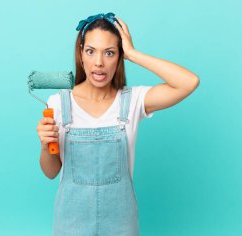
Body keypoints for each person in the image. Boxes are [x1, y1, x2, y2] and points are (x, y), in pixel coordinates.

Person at [36, 12, 199, 236]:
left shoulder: (132, 101)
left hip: (121, 225)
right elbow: (51, 172)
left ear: (119, 57)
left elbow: (189, 83)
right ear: (81, 54)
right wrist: (46, 146)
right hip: (71, 224)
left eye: (110, 53)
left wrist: (133, 54)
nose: (99, 62)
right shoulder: (58, 104)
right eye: (90, 51)